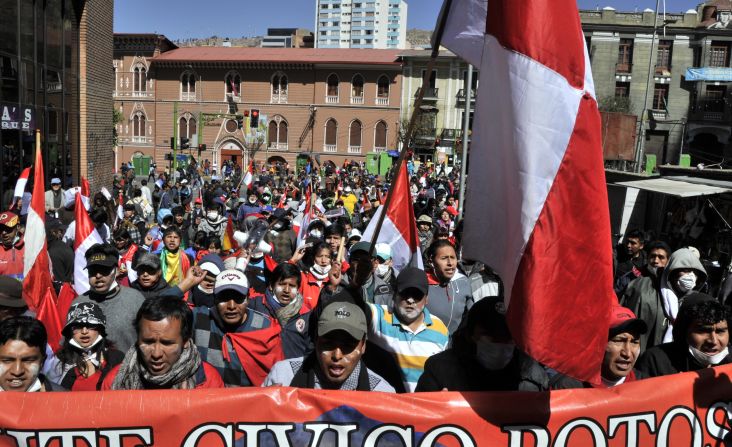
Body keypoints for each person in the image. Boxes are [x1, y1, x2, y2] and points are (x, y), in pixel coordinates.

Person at [417, 296, 550, 392]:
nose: (500, 342)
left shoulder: (533, 377)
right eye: (490, 335)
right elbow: (419, 422)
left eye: (508, 336)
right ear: (470, 335)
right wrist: (436, 407)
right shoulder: (441, 371)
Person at [263, 302, 394, 392]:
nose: (337, 355)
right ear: (315, 340)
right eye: (328, 344)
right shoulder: (284, 376)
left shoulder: (381, 393)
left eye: (348, 346)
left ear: (363, 346)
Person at [102, 296, 224, 390]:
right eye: (148, 342)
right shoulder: (115, 381)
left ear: (185, 341)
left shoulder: (208, 381)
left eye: (167, 343)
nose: (156, 354)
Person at [192, 269, 283, 387]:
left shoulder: (265, 327)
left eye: (238, 298)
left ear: (248, 298)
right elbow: (161, 314)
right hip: (209, 402)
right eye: (224, 298)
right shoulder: (200, 319)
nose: (231, 306)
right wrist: (187, 284)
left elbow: (277, 379)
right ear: (215, 298)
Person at [367, 267, 448, 392]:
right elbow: (353, 307)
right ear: (394, 295)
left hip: (424, 408)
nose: (410, 300)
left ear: (426, 299)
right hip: (386, 407)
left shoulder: (440, 329)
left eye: (417, 295)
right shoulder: (379, 316)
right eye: (405, 293)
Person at [636, 293, 732, 377]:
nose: (713, 341)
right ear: (683, 331)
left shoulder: (729, 362)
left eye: (720, 331)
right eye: (703, 331)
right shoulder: (656, 361)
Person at [72, 243, 146, 352]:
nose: (98, 275)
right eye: (93, 270)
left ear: (116, 270)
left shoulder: (136, 299)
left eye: (103, 269)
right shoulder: (78, 304)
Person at [53, 302, 124, 391]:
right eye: (77, 327)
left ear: (100, 329)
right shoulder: (59, 362)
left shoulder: (117, 358)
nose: (84, 331)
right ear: (69, 332)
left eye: (91, 326)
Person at [254, 263, 312, 359]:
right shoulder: (256, 305)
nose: (287, 290)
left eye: (292, 286)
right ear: (272, 286)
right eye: (282, 284)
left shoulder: (306, 315)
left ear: (298, 289)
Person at [0, 316, 65, 391]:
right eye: (7, 360)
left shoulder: (67, 400)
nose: (17, 371)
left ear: (42, 362)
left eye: (28, 360)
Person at [425, 240, 473, 335]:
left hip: (455, 346)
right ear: (431, 261)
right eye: (444, 258)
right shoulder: (422, 284)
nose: (450, 263)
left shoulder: (463, 282)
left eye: (453, 257)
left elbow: (471, 315)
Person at [0, 211, 25, 280]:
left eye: (8, 228)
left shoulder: (31, 247)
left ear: (18, 227)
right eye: (1, 229)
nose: (4, 233)